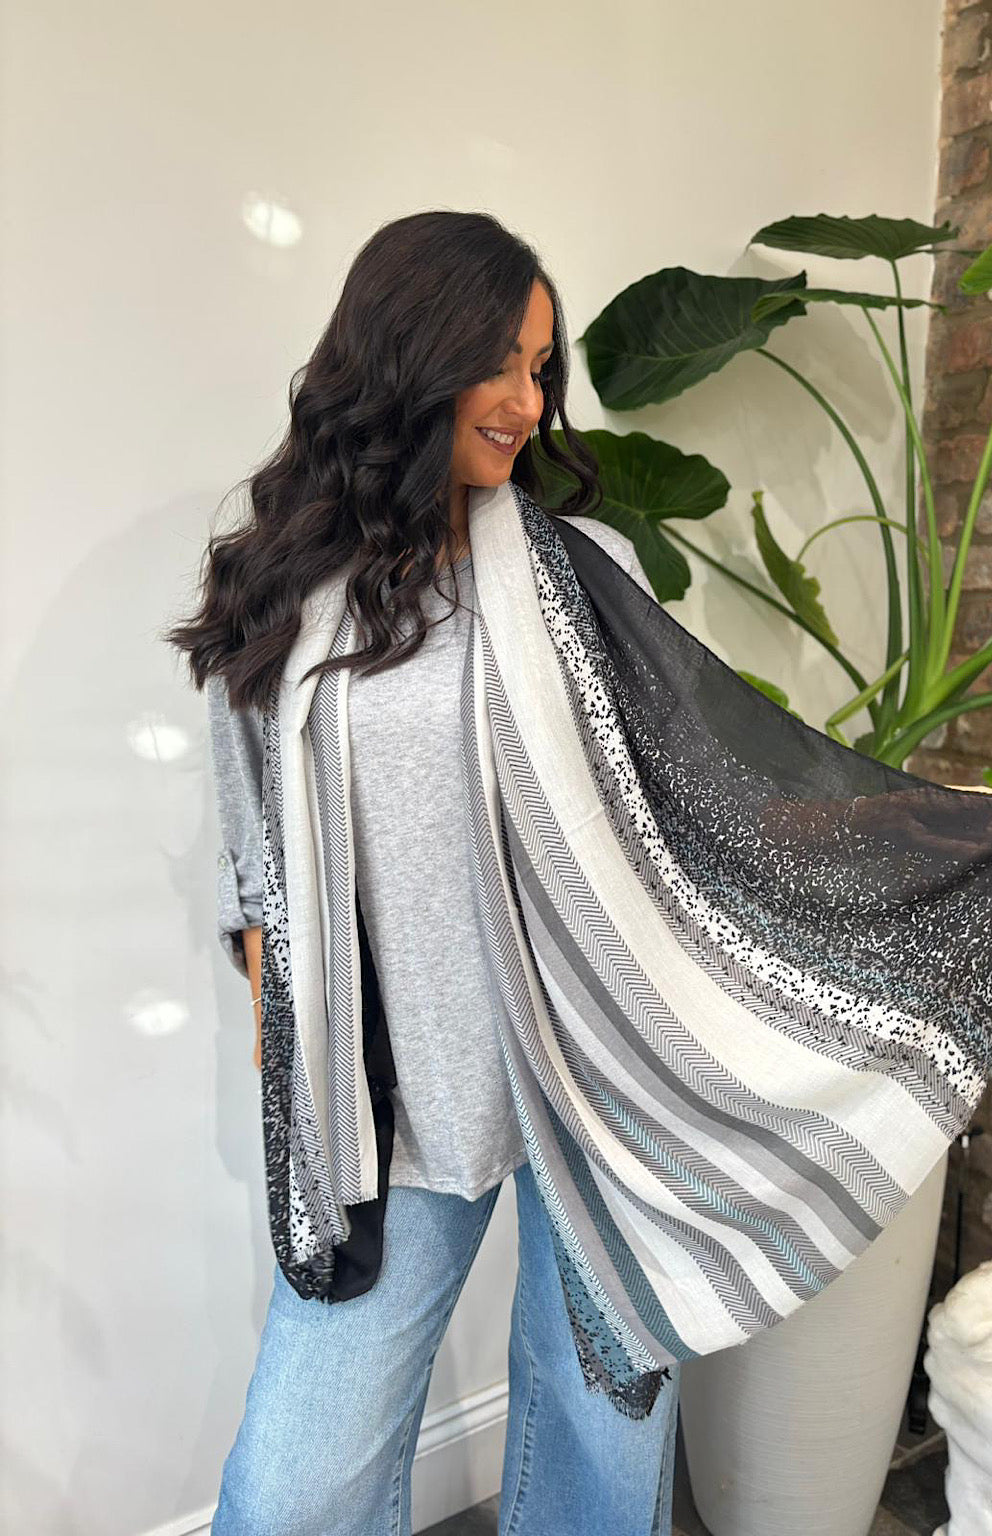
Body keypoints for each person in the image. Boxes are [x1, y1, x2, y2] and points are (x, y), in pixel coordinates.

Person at [166, 210, 681, 1536]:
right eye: (498, 365)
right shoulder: (280, 592)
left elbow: (702, 799)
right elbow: (258, 873)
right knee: (295, 1492)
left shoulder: (591, 576)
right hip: (390, 1089)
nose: (528, 403)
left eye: (541, 369)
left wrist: (951, 823)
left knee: (602, 1453)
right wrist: (295, 1045)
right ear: (409, 358)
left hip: (604, 1071)